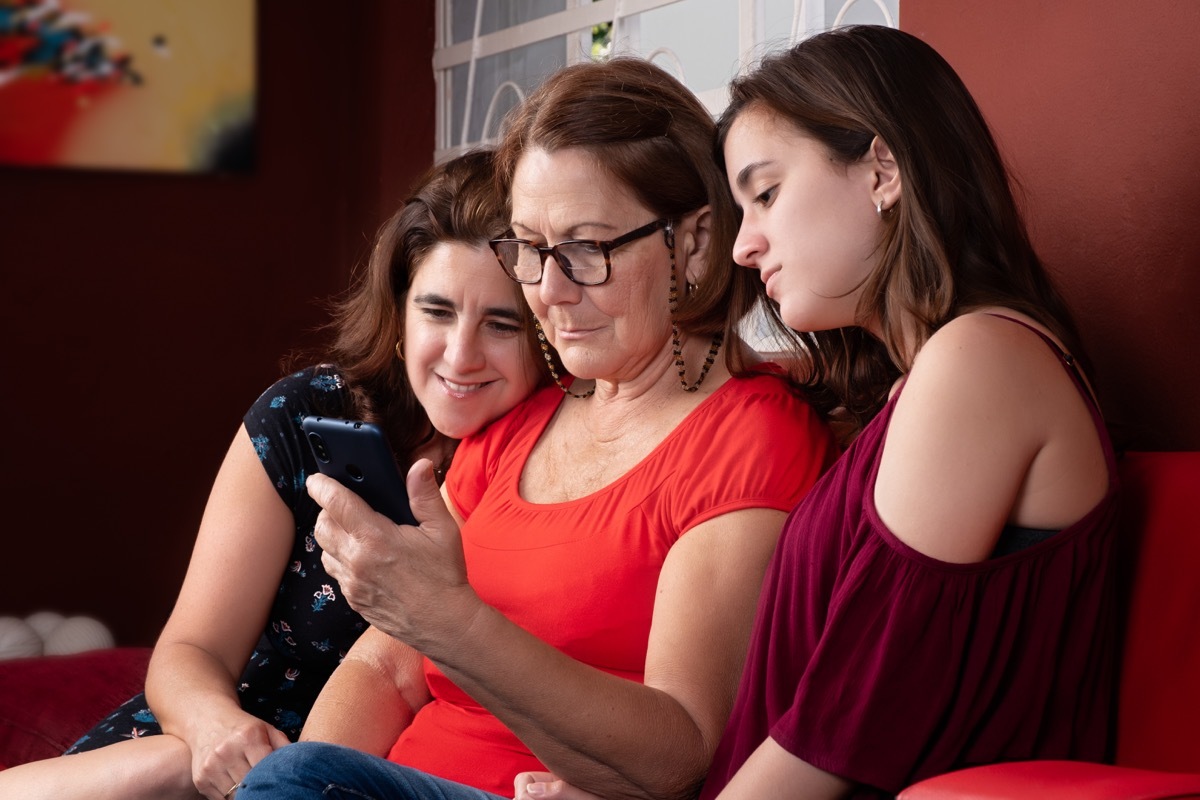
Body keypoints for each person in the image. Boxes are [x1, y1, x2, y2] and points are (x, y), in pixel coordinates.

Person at [515, 25, 1120, 800]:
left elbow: (845, 727)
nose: (742, 246)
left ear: (882, 169)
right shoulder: (930, 377)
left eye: (765, 194)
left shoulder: (981, 361)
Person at [236, 56, 836, 800]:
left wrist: (452, 623)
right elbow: (383, 667)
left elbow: (681, 747)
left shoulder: (750, 437)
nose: (548, 292)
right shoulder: (520, 422)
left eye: (586, 251)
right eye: (529, 249)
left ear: (696, 242)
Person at [0, 149, 545, 800]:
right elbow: (191, 649)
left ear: (548, 330)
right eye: (437, 311)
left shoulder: (556, 466)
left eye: (501, 323)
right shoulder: (306, 414)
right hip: (205, 753)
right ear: (399, 318)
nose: (461, 354)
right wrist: (211, 728)